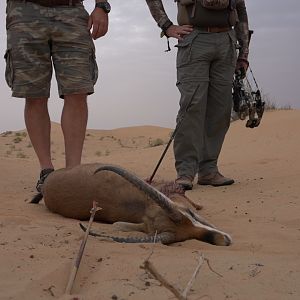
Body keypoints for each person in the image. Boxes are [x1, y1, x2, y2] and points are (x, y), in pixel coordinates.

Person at [5, 0, 111, 192]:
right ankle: (47, 172)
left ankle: (73, 173)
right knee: (34, 94)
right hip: (24, 10)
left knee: (78, 90)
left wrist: (101, 6)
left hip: (71, 10)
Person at [145, 0, 250, 190]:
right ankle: (185, 173)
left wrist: (244, 53)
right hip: (194, 39)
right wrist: (166, 25)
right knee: (192, 107)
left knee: (221, 110)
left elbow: (241, 11)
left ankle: (209, 171)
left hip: (227, 41)